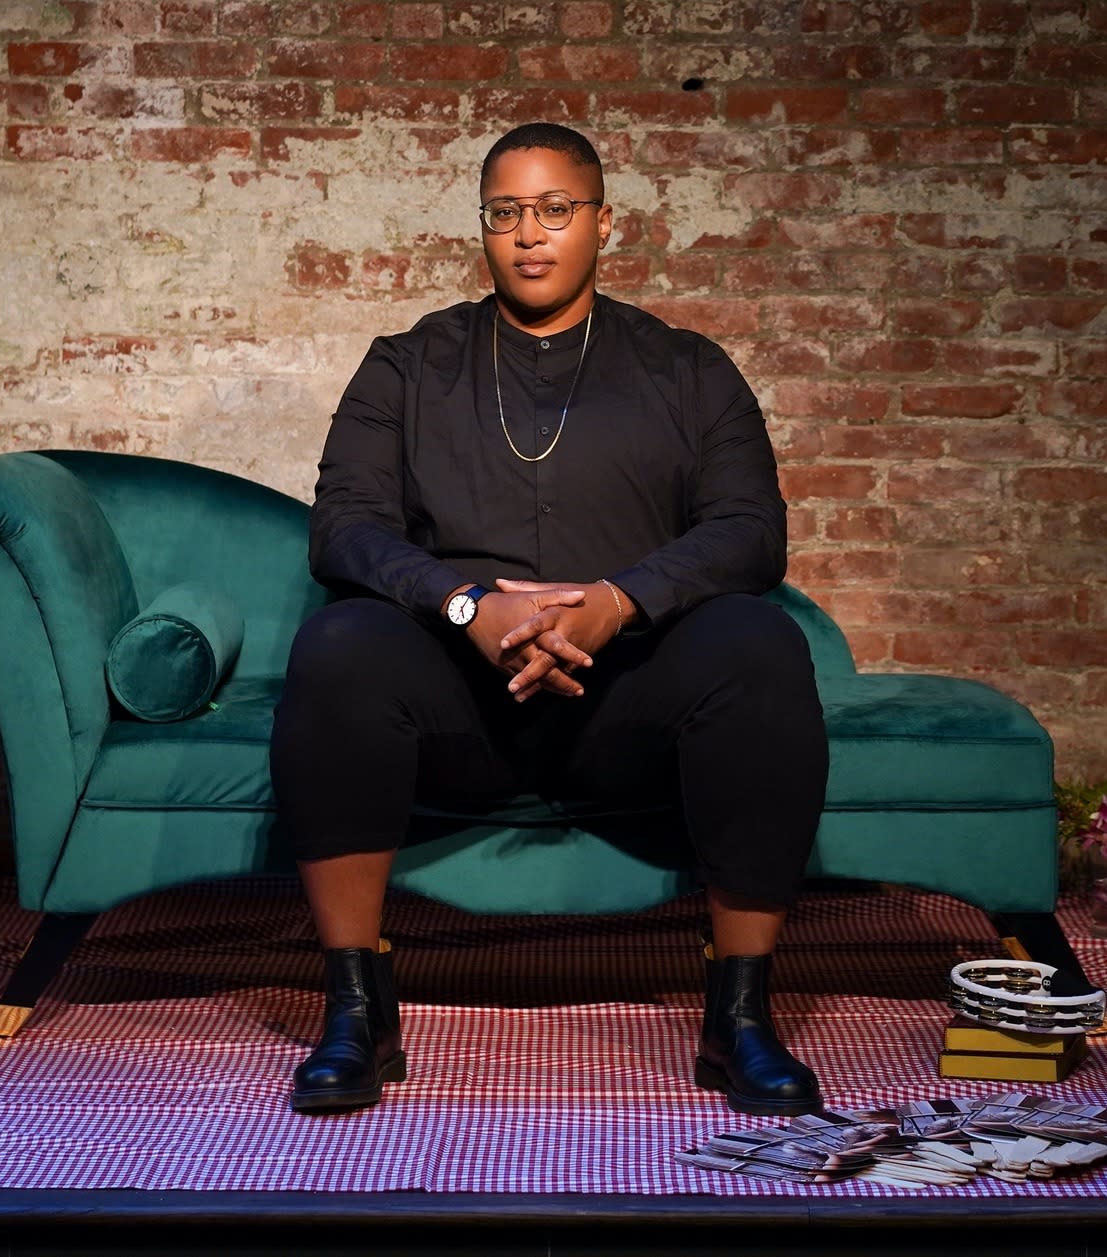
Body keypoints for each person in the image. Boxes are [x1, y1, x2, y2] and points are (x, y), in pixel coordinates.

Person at [270, 122, 829, 1118]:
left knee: (759, 643)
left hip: (628, 708)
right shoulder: (406, 366)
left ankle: (738, 1017)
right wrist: (467, 604)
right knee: (339, 643)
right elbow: (344, 531)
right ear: (484, 229)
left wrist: (619, 602)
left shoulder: (686, 369)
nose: (530, 234)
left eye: (554, 209)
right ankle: (357, 1008)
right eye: (506, 213)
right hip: (460, 711)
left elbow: (750, 532)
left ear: (603, 222)